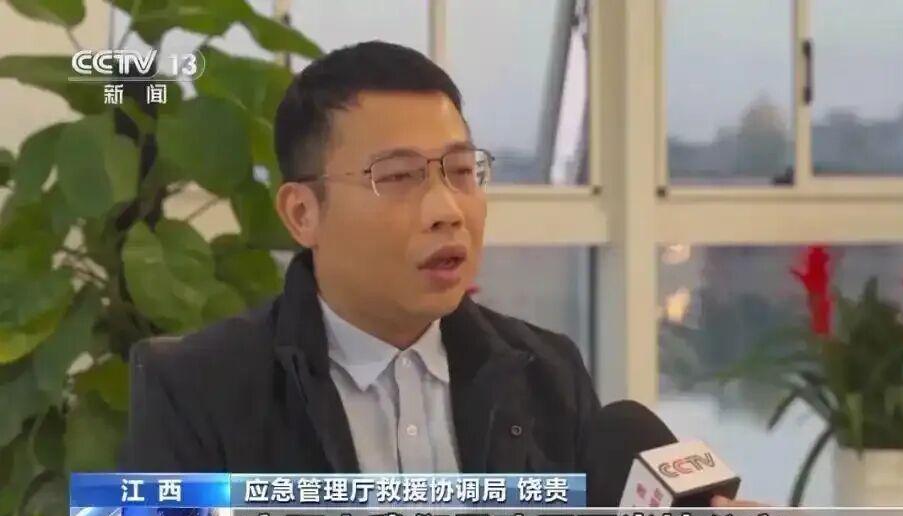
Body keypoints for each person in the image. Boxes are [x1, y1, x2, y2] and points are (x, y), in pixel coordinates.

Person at [120, 41, 599, 475]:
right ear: (302, 214)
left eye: (460, 171)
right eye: (398, 177)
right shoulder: (195, 391)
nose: (448, 211)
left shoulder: (548, 373)